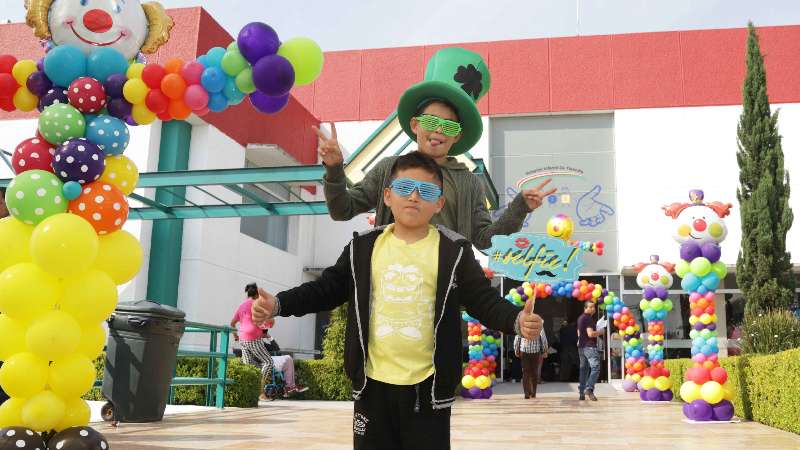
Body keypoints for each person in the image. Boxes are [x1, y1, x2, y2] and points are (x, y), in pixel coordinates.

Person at [252, 151, 543, 450]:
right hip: (371, 387)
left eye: (427, 191)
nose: (415, 197)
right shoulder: (362, 247)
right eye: (405, 189)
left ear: (439, 203)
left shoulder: (455, 251)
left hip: (428, 390)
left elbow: (483, 300)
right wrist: (279, 304)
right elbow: (326, 289)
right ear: (388, 196)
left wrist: (516, 320)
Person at [315, 47, 555, 250]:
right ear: (415, 125)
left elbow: (484, 240)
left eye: (449, 126)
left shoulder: (469, 182)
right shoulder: (389, 169)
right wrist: (334, 168)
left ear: (457, 135)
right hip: (390, 283)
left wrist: (520, 208)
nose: (438, 131)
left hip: (445, 291)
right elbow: (342, 210)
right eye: (431, 122)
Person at [231, 283, 307, 400]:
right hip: (253, 339)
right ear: (257, 294)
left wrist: (236, 336)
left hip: (242, 340)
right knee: (268, 362)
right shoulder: (256, 304)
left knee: (251, 366)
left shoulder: (241, 306)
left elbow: (232, 324)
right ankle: (260, 393)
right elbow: (270, 320)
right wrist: (269, 322)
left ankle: (250, 392)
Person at [577, 302, 603, 401]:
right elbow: (591, 334)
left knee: (583, 369)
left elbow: (579, 331)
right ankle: (589, 388)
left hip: (582, 347)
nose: (593, 309)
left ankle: (581, 393)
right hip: (589, 347)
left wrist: (579, 340)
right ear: (585, 308)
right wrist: (600, 332)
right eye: (591, 307)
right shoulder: (588, 318)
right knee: (596, 367)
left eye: (594, 307)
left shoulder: (580, 318)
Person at [514, 328, 548, 399]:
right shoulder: (539, 323)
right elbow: (543, 338)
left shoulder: (522, 322)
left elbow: (517, 337)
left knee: (525, 372)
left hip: (524, 351)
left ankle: (527, 393)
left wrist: (516, 349)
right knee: (534, 372)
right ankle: (533, 393)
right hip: (535, 351)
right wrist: (545, 350)